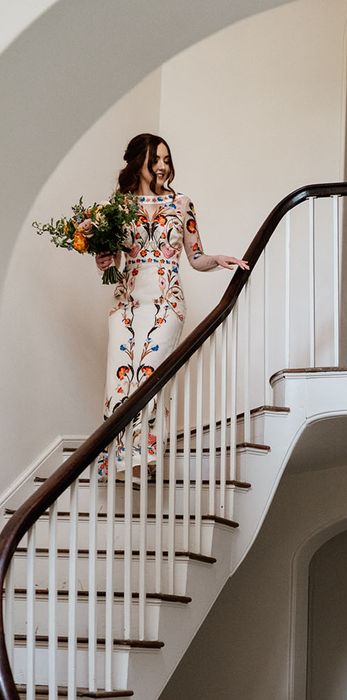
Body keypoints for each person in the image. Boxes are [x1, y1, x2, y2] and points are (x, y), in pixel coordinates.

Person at [96, 133, 248, 479]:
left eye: (167, 159)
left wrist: (218, 259)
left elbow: (195, 256)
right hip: (127, 300)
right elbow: (115, 258)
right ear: (140, 163)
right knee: (119, 377)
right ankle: (117, 459)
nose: (163, 166)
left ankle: (143, 458)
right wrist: (103, 259)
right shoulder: (117, 206)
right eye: (156, 160)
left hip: (166, 299)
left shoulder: (182, 203)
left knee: (149, 373)